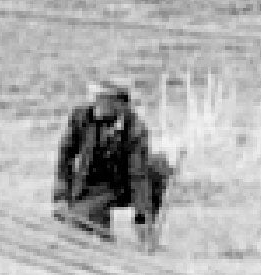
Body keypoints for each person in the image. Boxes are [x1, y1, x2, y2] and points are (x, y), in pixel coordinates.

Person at [53, 75, 172, 245]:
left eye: (101, 99)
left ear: (119, 104)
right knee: (79, 228)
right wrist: (61, 197)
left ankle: (144, 230)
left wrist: (142, 216)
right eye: (94, 97)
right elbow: (65, 157)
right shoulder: (81, 116)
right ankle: (99, 226)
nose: (95, 104)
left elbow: (137, 175)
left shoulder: (135, 128)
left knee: (158, 168)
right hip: (90, 185)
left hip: (121, 184)